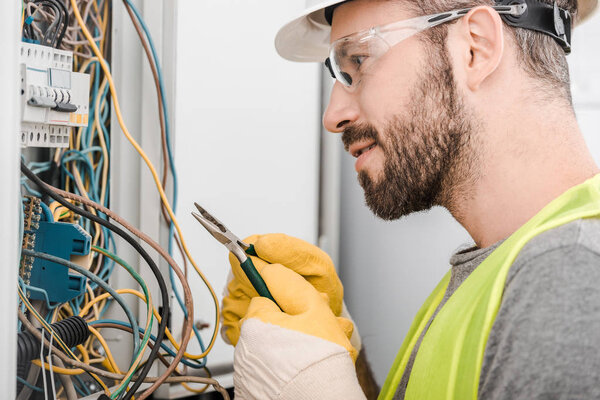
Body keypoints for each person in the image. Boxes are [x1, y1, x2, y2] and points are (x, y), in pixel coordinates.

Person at [220, 0, 600, 399]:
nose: (333, 115)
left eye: (359, 61)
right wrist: (338, 360)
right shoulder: (499, 266)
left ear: (476, 47)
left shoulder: (569, 278)